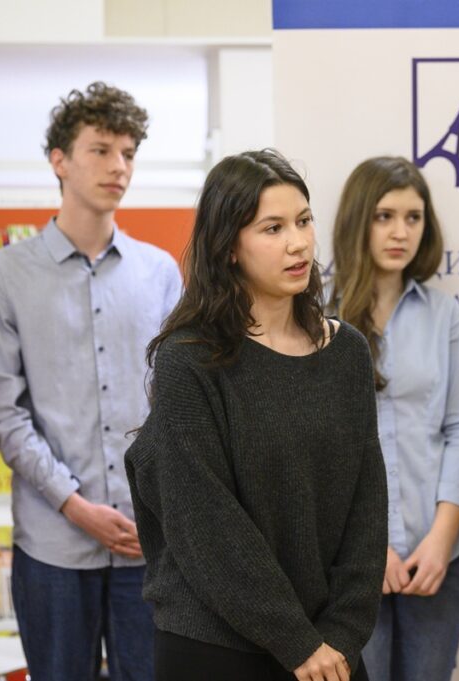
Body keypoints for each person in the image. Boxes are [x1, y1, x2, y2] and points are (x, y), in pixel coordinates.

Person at [124, 149, 387, 681]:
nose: (298, 243)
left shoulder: (347, 352)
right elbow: (206, 524)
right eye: (273, 228)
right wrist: (299, 644)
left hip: (328, 647)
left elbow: (367, 503)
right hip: (215, 644)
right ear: (228, 247)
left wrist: (343, 634)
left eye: (304, 221)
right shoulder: (189, 359)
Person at [0, 82, 181, 681]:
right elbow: (3, 414)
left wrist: (157, 505)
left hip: (147, 539)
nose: (119, 167)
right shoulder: (4, 276)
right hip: (53, 544)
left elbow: (179, 405)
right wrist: (75, 504)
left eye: (129, 153)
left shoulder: (160, 273)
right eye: (101, 150)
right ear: (59, 160)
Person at [329, 157, 459, 681]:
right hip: (348, 563)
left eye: (413, 217)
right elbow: (315, 451)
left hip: (437, 554)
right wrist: (368, 548)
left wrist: (442, 539)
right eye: (384, 216)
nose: (401, 232)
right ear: (358, 220)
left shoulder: (443, 315)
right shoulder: (316, 317)